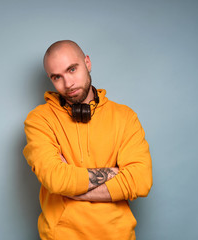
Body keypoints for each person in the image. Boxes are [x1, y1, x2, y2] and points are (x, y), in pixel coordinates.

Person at [23, 40, 153, 240]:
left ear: (88, 63)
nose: (68, 84)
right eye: (57, 77)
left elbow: (140, 181)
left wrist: (73, 190)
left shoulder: (125, 117)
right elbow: (56, 180)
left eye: (72, 69)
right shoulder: (39, 120)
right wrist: (115, 173)